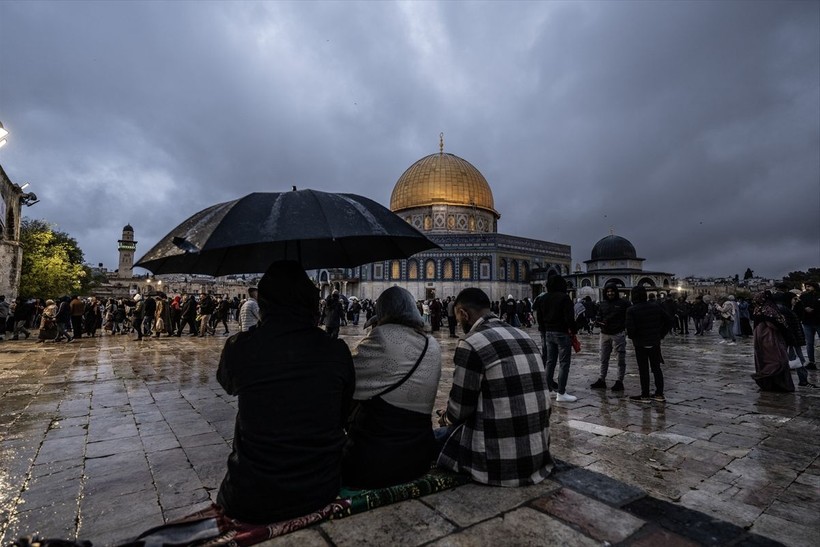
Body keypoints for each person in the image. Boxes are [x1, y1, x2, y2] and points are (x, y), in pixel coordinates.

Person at [215, 260, 354, 524]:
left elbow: (228, 383)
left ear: (264, 304)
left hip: (251, 493)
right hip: (320, 486)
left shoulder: (241, 348)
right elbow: (343, 411)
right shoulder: (336, 351)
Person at [435, 288, 552, 486]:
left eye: (457, 317)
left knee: (428, 439)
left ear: (464, 314)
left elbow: (459, 410)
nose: (458, 322)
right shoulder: (524, 336)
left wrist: (445, 418)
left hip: (496, 464)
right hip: (537, 457)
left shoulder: (471, 343)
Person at [343, 286, 442, 489]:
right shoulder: (432, 344)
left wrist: (374, 332)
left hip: (375, 460)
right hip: (420, 457)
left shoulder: (382, 337)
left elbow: (346, 380)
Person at [533, 275, 578, 402]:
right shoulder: (564, 298)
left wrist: (544, 328)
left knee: (550, 362)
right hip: (562, 333)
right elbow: (569, 318)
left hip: (548, 333)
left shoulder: (543, 298)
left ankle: (548, 390)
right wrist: (574, 330)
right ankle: (561, 393)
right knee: (564, 363)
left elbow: (539, 318)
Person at [625, 286, 674, 403]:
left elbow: (630, 331)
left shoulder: (631, 310)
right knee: (656, 368)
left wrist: (634, 336)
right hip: (654, 342)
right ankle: (659, 394)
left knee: (643, 369)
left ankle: (645, 395)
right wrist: (660, 334)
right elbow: (669, 321)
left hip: (640, 343)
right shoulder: (656, 307)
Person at [751, 291, 794, 392]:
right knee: (778, 360)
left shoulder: (757, 309)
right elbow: (776, 324)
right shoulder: (769, 309)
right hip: (770, 338)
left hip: (759, 338)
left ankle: (768, 383)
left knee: (765, 360)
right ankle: (778, 383)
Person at [590, 282, 630, 392]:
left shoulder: (623, 303)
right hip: (605, 334)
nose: (610, 293)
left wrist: (625, 328)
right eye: (608, 291)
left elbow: (628, 317)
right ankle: (602, 379)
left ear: (615, 292)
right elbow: (599, 315)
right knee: (603, 358)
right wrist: (598, 322)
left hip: (618, 333)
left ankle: (619, 381)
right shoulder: (602, 304)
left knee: (620, 359)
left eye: (612, 291)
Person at [795, 281, 819, 370]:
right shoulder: (803, 296)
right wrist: (805, 309)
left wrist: (814, 309)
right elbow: (799, 306)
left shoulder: (818, 295)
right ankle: (811, 362)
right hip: (807, 322)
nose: (807, 288)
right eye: (806, 286)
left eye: (809, 286)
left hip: (818, 321)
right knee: (809, 343)